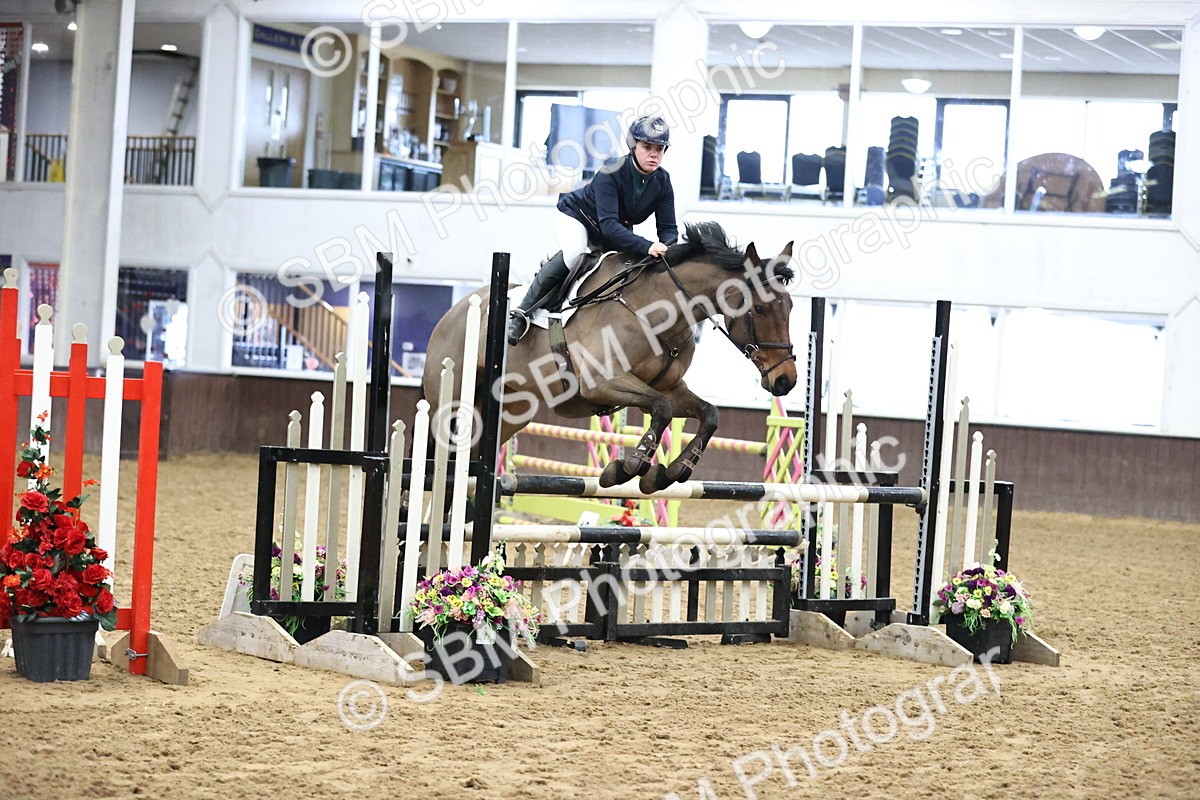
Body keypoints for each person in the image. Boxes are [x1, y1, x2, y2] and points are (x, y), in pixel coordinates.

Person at [507, 114, 678, 344]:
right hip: (578, 217)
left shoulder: (663, 181)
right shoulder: (611, 171)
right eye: (647, 147)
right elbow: (609, 226)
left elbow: (668, 228)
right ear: (633, 146)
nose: (654, 154)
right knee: (575, 254)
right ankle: (521, 313)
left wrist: (668, 249)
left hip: (613, 230)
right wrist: (648, 246)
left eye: (660, 148)